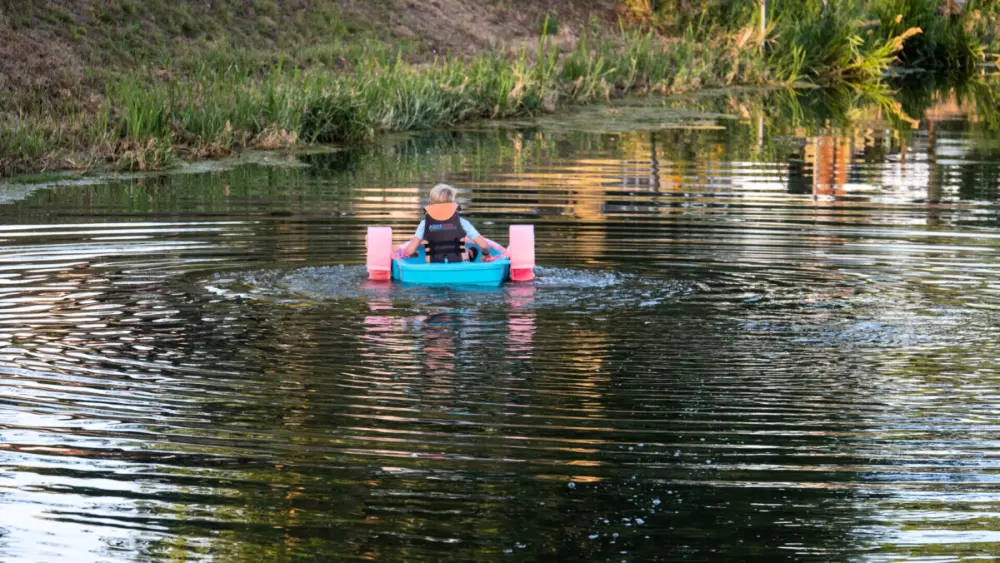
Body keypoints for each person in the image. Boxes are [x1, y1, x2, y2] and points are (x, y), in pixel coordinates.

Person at [403, 184, 494, 262]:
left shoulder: (425, 223)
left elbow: (410, 251)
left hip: (434, 266)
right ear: (452, 204)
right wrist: (486, 254)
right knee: (470, 250)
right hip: (460, 266)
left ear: (430, 203)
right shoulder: (461, 222)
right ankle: (467, 256)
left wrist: (414, 254)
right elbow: (484, 245)